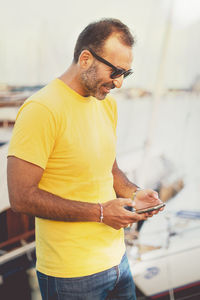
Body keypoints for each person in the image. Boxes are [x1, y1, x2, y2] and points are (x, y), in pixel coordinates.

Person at [7, 18, 164, 300]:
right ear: (86, 58)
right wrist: (101, 213)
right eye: (115, 71)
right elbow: (21, 197)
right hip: (70, 276)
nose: (118, 83)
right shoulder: (41, 109)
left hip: (118, 263)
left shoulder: (107, 106)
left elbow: (110, 170)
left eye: (125, 74)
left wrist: (137, 194)